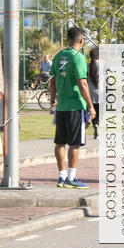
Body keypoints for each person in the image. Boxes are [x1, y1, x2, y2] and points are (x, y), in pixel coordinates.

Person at [48, 27, 96, 189]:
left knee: (60, 143)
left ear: (67, 38)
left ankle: (61, 177)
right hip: (76, 106)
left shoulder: (58, 56)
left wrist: (53, 100)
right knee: (75, 144)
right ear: (81, 40)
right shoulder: (78, 57)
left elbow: (52, 81)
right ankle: (71, 177)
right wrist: (91, 106)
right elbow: (82, 83)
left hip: (61, 107)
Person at [88, 47, 100, 139]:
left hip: (90, 94)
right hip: (102, 93)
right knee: (100, 112)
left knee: (93, 112)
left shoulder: (88, 66)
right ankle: (98, 124)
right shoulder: (103, 65)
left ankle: (95, 124)